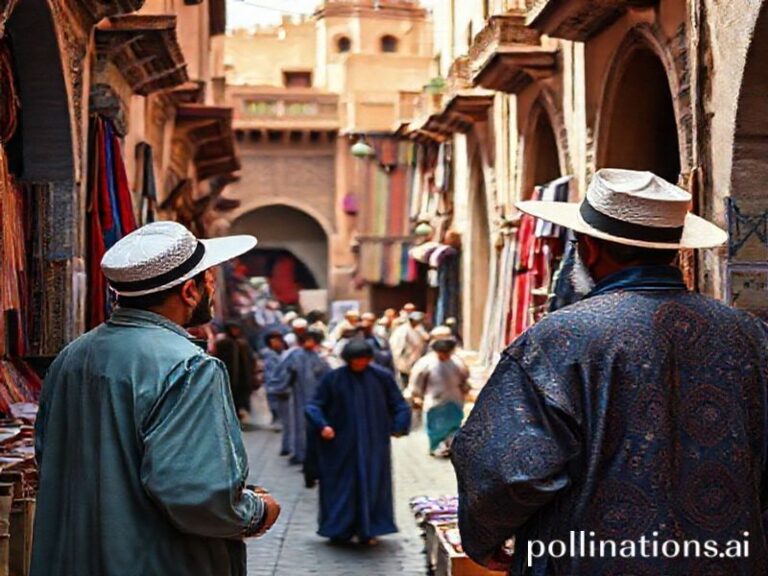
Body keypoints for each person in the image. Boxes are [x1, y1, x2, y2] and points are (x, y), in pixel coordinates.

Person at [451, 169, 768, 575]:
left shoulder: (559, 340)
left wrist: (486, 536)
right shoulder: (748, 336)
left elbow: (508, 468)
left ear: (590, 249)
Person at [32, 221, 281, 576]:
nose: (213, 286)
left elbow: (49, 457)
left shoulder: (71, 357)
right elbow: (196, 495)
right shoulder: (190, 367)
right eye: (208, 278)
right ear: (189, 292)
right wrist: (257, 512)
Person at [305, 340, 411, 546]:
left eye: (364, 360)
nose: (360, 364)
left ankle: (369, 529)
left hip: (373, 444)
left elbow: (399, 404)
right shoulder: (333, 379)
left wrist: (399, 425)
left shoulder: (381, 377)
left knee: (372, 485)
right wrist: (323, 425)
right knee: (340, 487)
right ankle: (338, 529)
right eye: (356, 361)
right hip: (340, 445)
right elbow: (314, 405)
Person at [269, 330, 330, 464]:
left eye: (312, 340)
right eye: (307, 340)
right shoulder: (295, 355)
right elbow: (284, 373)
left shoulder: (320, 356)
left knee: (314, 425)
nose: (309, 343)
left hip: (316, 397)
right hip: (299, 396)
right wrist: (281, 387)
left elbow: (327, 376)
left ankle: (312, 455)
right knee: (299, 425)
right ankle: (300, 453)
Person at [408, 338, 469, 457]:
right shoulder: (425, 363)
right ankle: (434, 447)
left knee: (453, 425)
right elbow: (416, 382)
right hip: (435, 401)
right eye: (442, 353)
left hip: (454, 399)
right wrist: (415, 396)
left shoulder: (457, 363)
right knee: (435, 428)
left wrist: (465, 389)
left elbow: (464, 378)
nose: (445, 355)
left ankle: (450, 446)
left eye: (447, 353)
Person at [215, 321, 255, 422]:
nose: (235, 331)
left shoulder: (242, 343)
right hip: (229, 376)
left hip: (242, 377)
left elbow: (249, 360)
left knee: (240, 398)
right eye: (233, 329)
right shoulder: (224, 343)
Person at [389, 310, 429, 388]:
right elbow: (397, 347)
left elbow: (426, 338)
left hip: (416, 357)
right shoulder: (402, 330)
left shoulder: (419, 328)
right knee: (405, 381)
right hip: (405, 359)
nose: (419, 322)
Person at [260, 329, 287, 429]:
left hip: (279, 384)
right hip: (273, 384)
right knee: (274, 404)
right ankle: (276, 420)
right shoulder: (269, 355)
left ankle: (278, 420)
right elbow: (270, 373)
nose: (278, 343)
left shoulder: (282, 354)